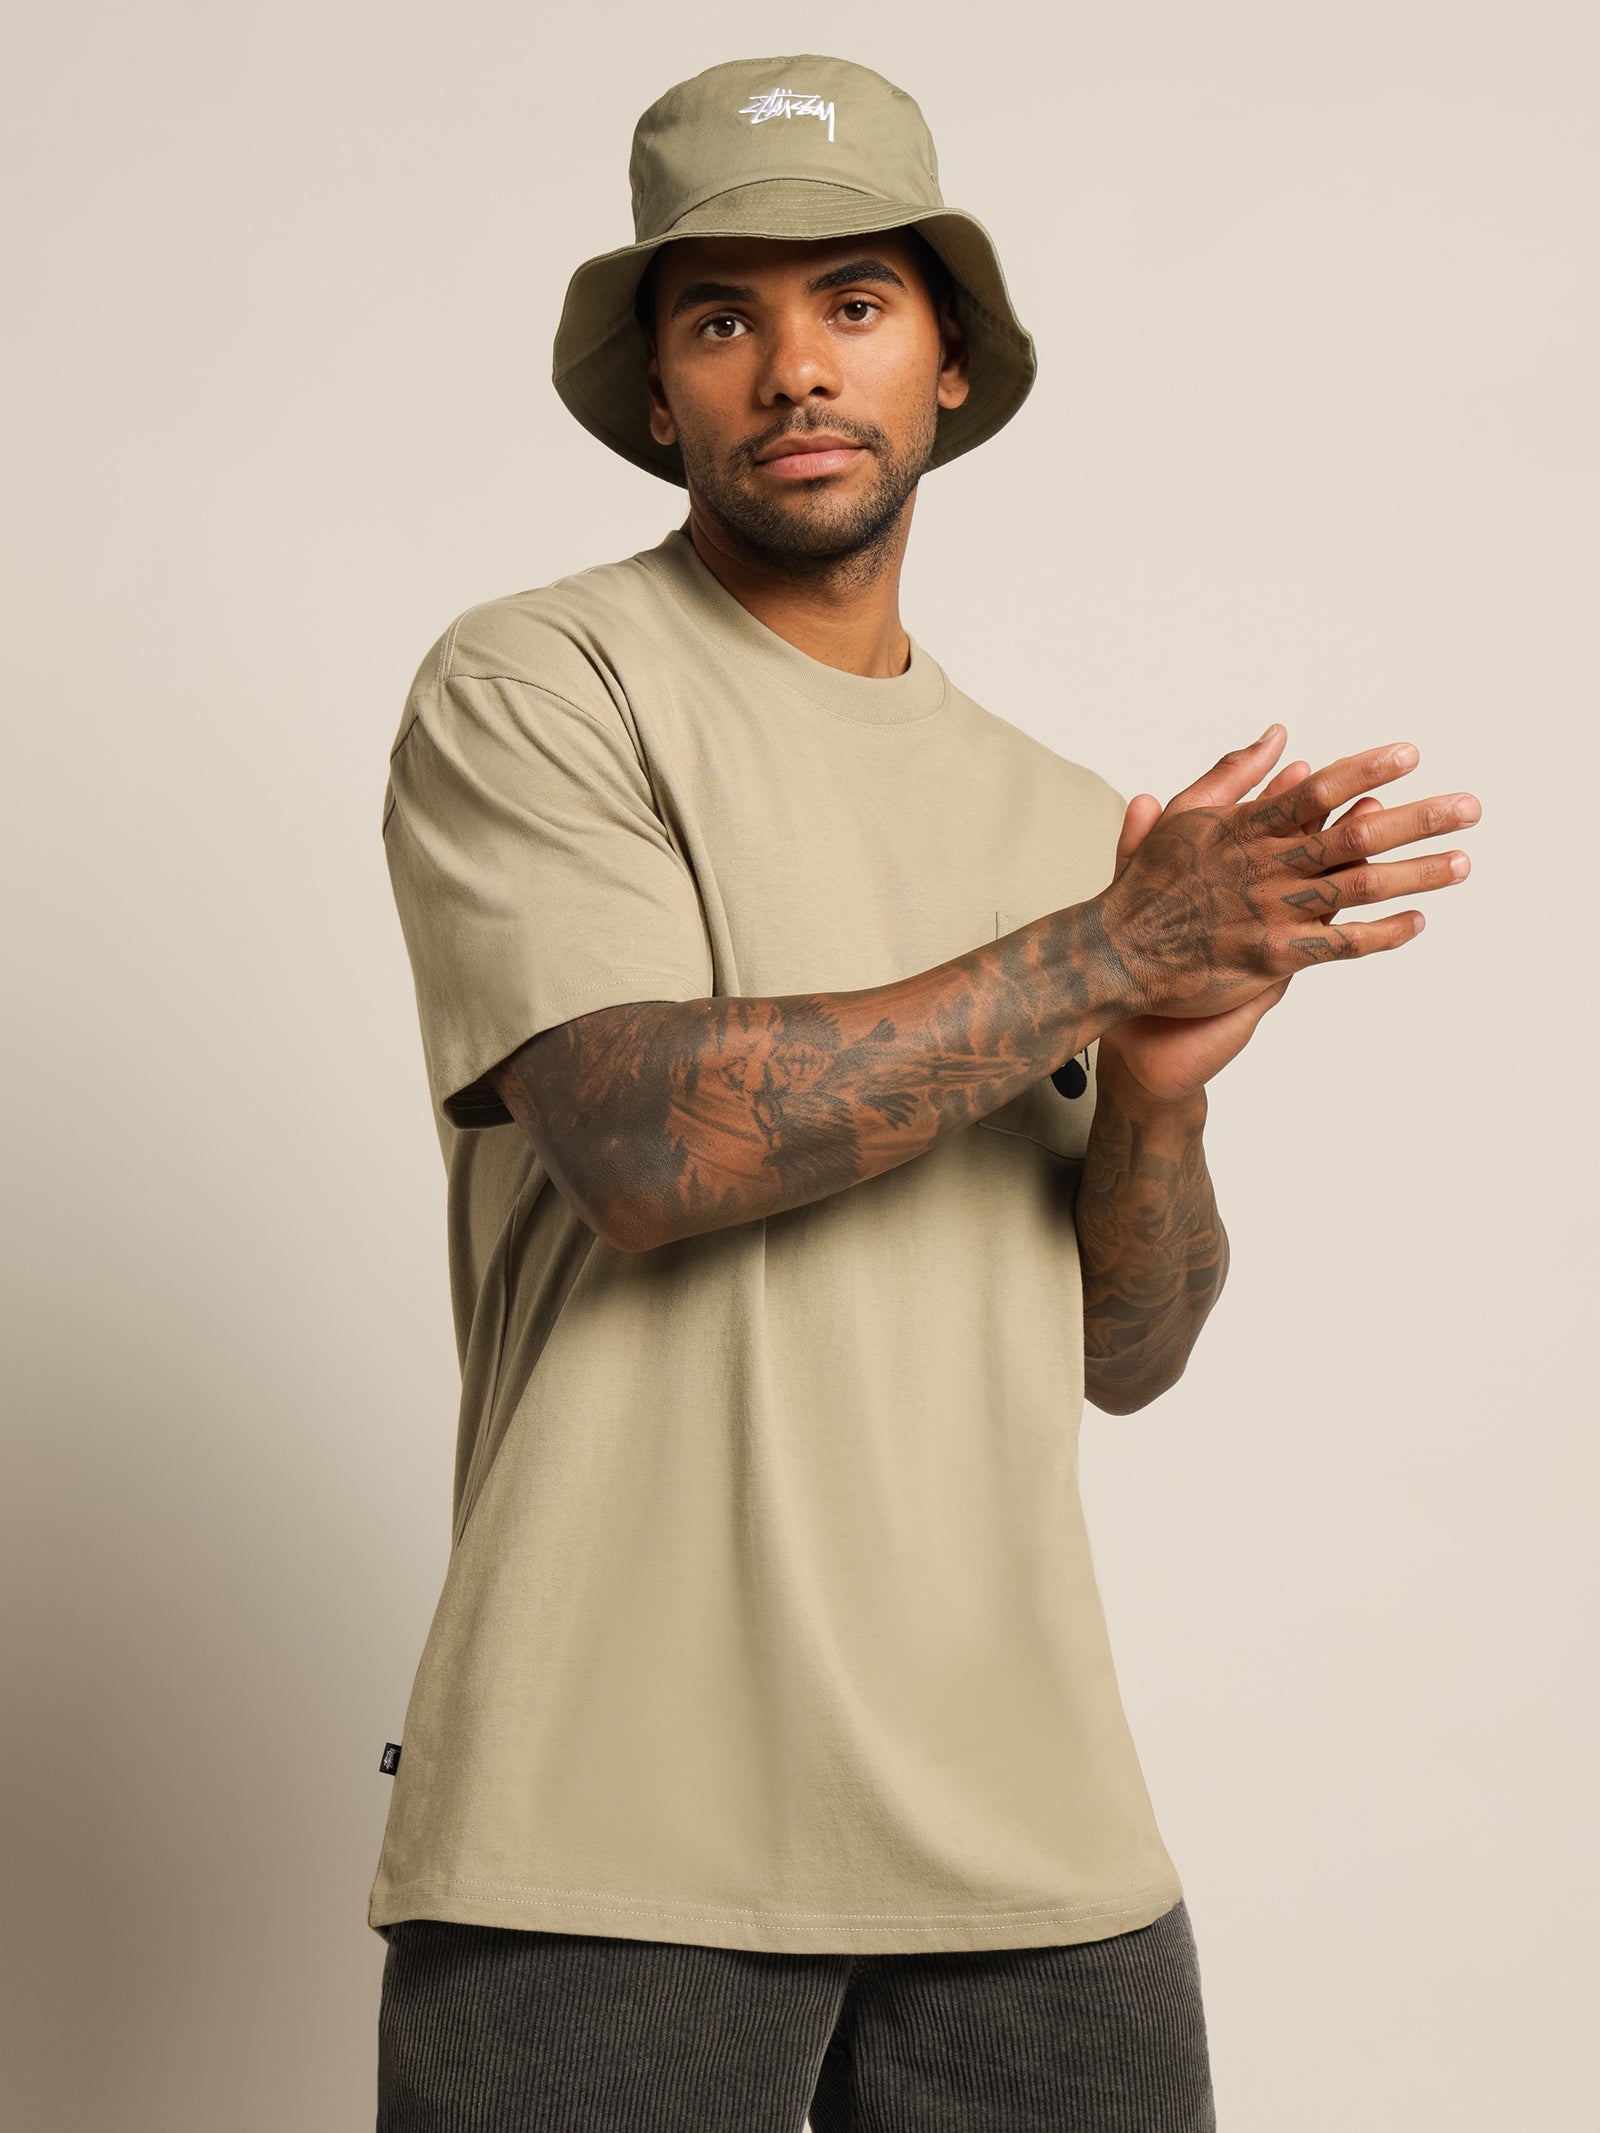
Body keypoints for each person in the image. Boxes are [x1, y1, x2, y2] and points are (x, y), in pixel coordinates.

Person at [369, 52, 1479, 2132]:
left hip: (1029, 1833)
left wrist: (1157, 1098)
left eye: (854, 304)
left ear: (945, 365)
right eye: (723, 318)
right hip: (610, 1816)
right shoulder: (539, 684)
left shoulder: (1065, 819)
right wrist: (1105, 951)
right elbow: (637, 1140)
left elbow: (1122, 1350)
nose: (795, 366)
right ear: (657, 394)